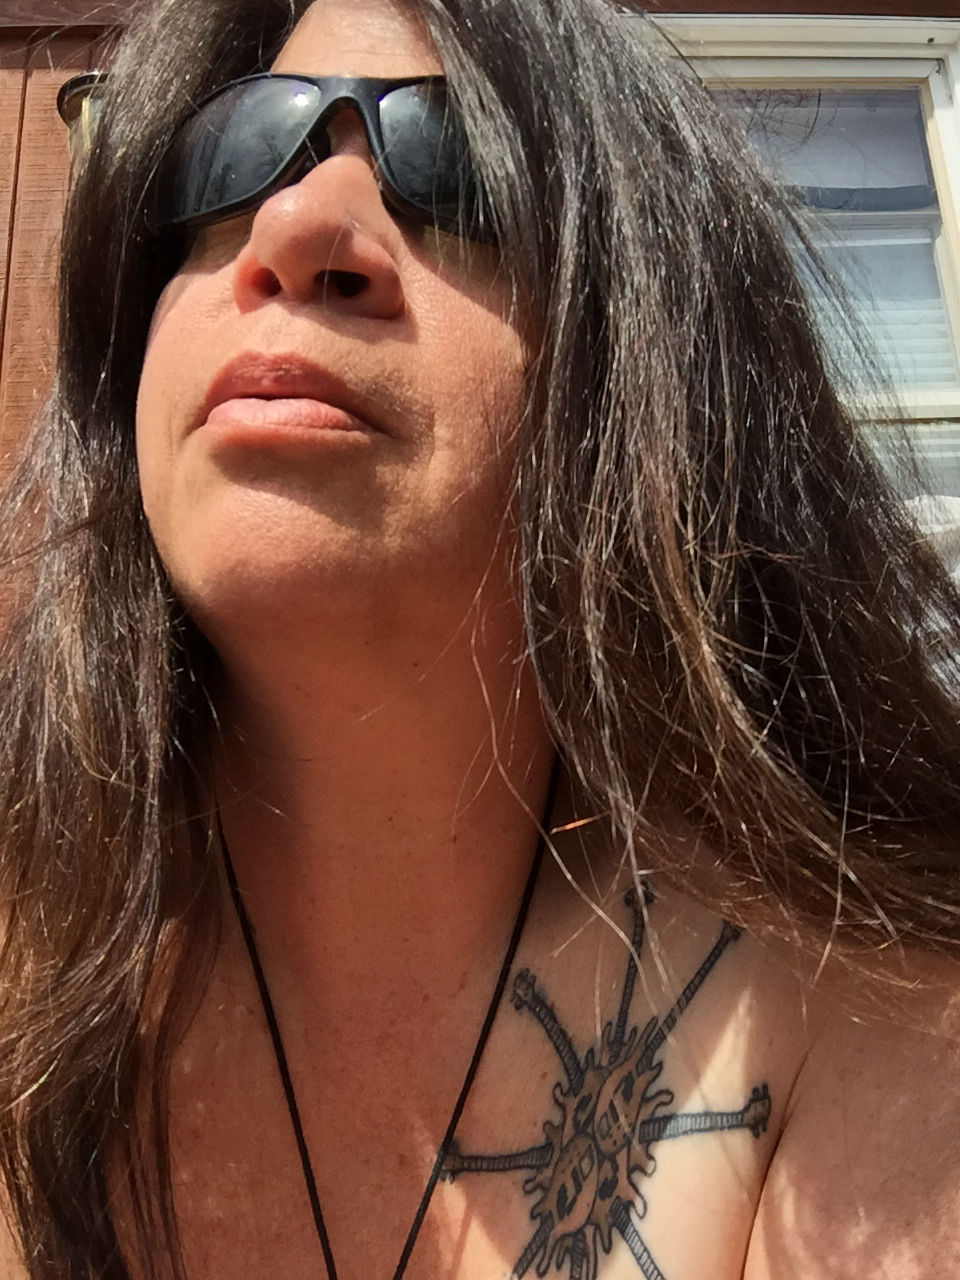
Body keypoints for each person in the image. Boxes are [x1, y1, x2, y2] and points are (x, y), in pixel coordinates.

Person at [1, 0, 959, 1276]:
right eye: (228, 156)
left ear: (649, 353)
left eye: (456, 168)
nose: (294, 230)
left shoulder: (879, 1016)